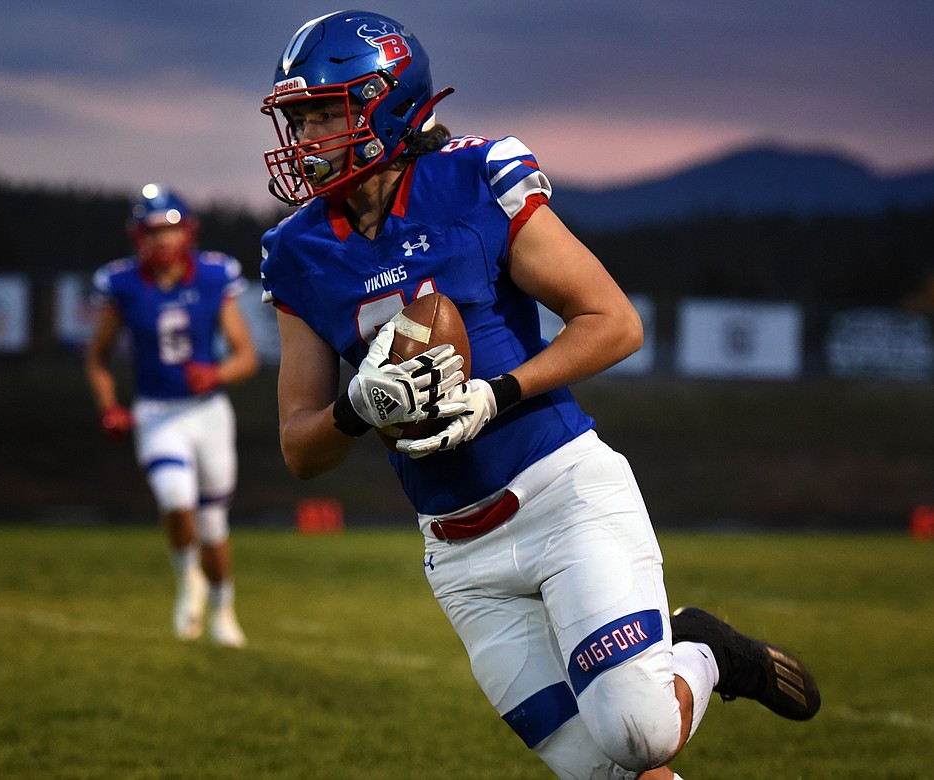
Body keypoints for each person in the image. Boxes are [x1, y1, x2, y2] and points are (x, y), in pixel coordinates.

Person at [259, 10, 819, 778]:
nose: (308, 137)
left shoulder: (473, 178)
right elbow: (300, 447)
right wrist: (358, 407)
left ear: (388, 103)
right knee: (607, 771)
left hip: (562, 498)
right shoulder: (296, 251)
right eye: (300, 118)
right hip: (458, 551)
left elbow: (614, 323)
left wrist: (499, 392)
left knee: (639, 733)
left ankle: (706, 652)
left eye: (327, 112)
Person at [86, 183, 259, 648]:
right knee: (174, 497)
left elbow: (246, 357)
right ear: (137, 236)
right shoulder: (120, 283)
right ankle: (188, 579)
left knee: (213, 525)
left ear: (188, 232)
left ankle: (223, 607)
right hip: (156, 411)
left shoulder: (214, 275)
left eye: (169, 229)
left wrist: (216, 373)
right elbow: (97, 357)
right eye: (152, 231)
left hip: (208, 412)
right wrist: (109, 407)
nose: (161, 240)